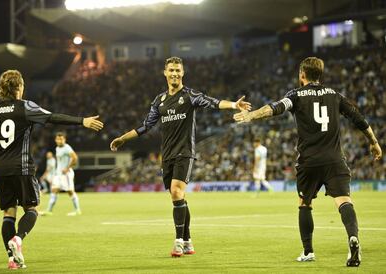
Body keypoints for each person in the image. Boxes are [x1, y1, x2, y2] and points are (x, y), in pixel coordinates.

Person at [234, 57, 382, 267]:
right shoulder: (335, 95)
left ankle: (308, 251)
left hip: (309, 162)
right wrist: (374, 142)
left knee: (305, 203)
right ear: (320, 75)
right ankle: (353, 238)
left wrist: (252, 116)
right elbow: (359, 118)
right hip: (335, 160)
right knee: (344, 201)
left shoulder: (295, 95)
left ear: (302, 74)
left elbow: (275, 108)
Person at [110, 56, 251, 257]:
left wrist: (233, 105)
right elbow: (145, 126)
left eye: (178, 70)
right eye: (171, 70)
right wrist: (123, 138)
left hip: (185, 152)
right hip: (166, 155)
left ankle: (177, 242)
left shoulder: (190, 95)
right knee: (179, 198)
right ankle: (188, 241)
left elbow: (212, 102)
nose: (175, 73)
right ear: (165, 73)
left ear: (182, 73)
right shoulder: (159, 101)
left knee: (177, 192)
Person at [0, 70, 103, 269]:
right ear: (19, 87)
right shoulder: (26, 107)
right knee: (32, 210)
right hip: (22, 167)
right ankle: (18, 239)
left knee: (8, 213)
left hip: (1, 169)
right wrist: (82, 121)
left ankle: (12, 260)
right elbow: (53, 117)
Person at [40, 132, 81, 216]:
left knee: (70, 191)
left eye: (61, 139)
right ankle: (49, 210)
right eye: (58, 139)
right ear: (55, 140)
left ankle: (77, 210)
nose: (59, 141)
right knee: (54, 190)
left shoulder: (67, 148)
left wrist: (67, 168)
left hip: (66, 174)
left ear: (64, 140)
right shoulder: (57, 148)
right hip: (58, 174)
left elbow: (75, 158)